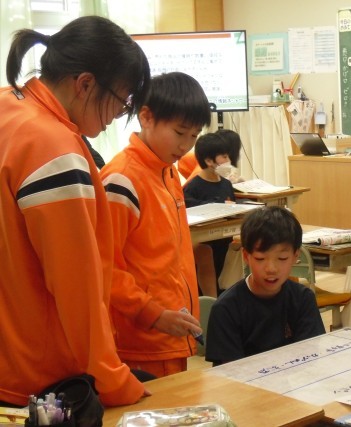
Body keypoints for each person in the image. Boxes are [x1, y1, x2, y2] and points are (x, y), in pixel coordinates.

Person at [0, 16, 150, 407]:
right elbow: (75, 287)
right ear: (84, 84)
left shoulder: (8, 107)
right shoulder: (53, 147)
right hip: (40, 378)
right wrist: (112, 381)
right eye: (122, 100)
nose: (117, 115)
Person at [100, 72, 211, 378]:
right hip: (139, 340)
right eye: (179, 132)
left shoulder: (169, 172)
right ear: (146, 117)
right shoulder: (122, 179)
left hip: (171, 332)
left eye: (194, 136)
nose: (186, 145)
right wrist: (152, 314)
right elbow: (104, 267)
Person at [206, 206, 325, 365]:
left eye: (282, 258)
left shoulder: (303, 299)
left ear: (295, 256)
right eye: (260, 259)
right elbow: (229, 373)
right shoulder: (226, 308)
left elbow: (310, 358)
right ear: (246, 256)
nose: (271, 269)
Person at [184, 132, 238, 297]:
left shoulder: (226, 184)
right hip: (203, 245)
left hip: (224, 240)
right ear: (209, 161)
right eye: (224, 156)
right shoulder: (192, 187)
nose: (228, 160)